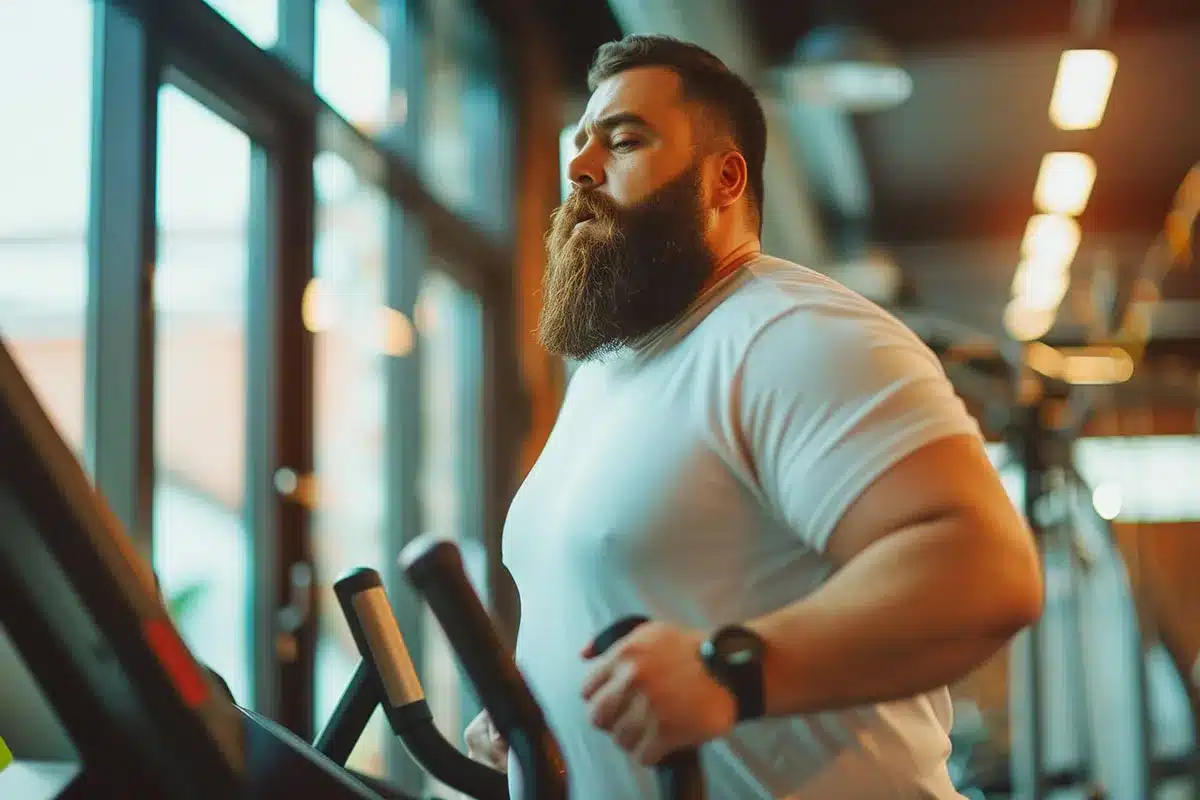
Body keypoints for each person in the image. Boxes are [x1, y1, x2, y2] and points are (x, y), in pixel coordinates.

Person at [465, 34, 1043, 798]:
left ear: (724, 178)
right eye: (580, 144)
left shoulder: (792, 334)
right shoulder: (606, 372)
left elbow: (985, 570)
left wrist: (730, 669)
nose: (581, 167)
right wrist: (547, 710)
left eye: (625, 141)